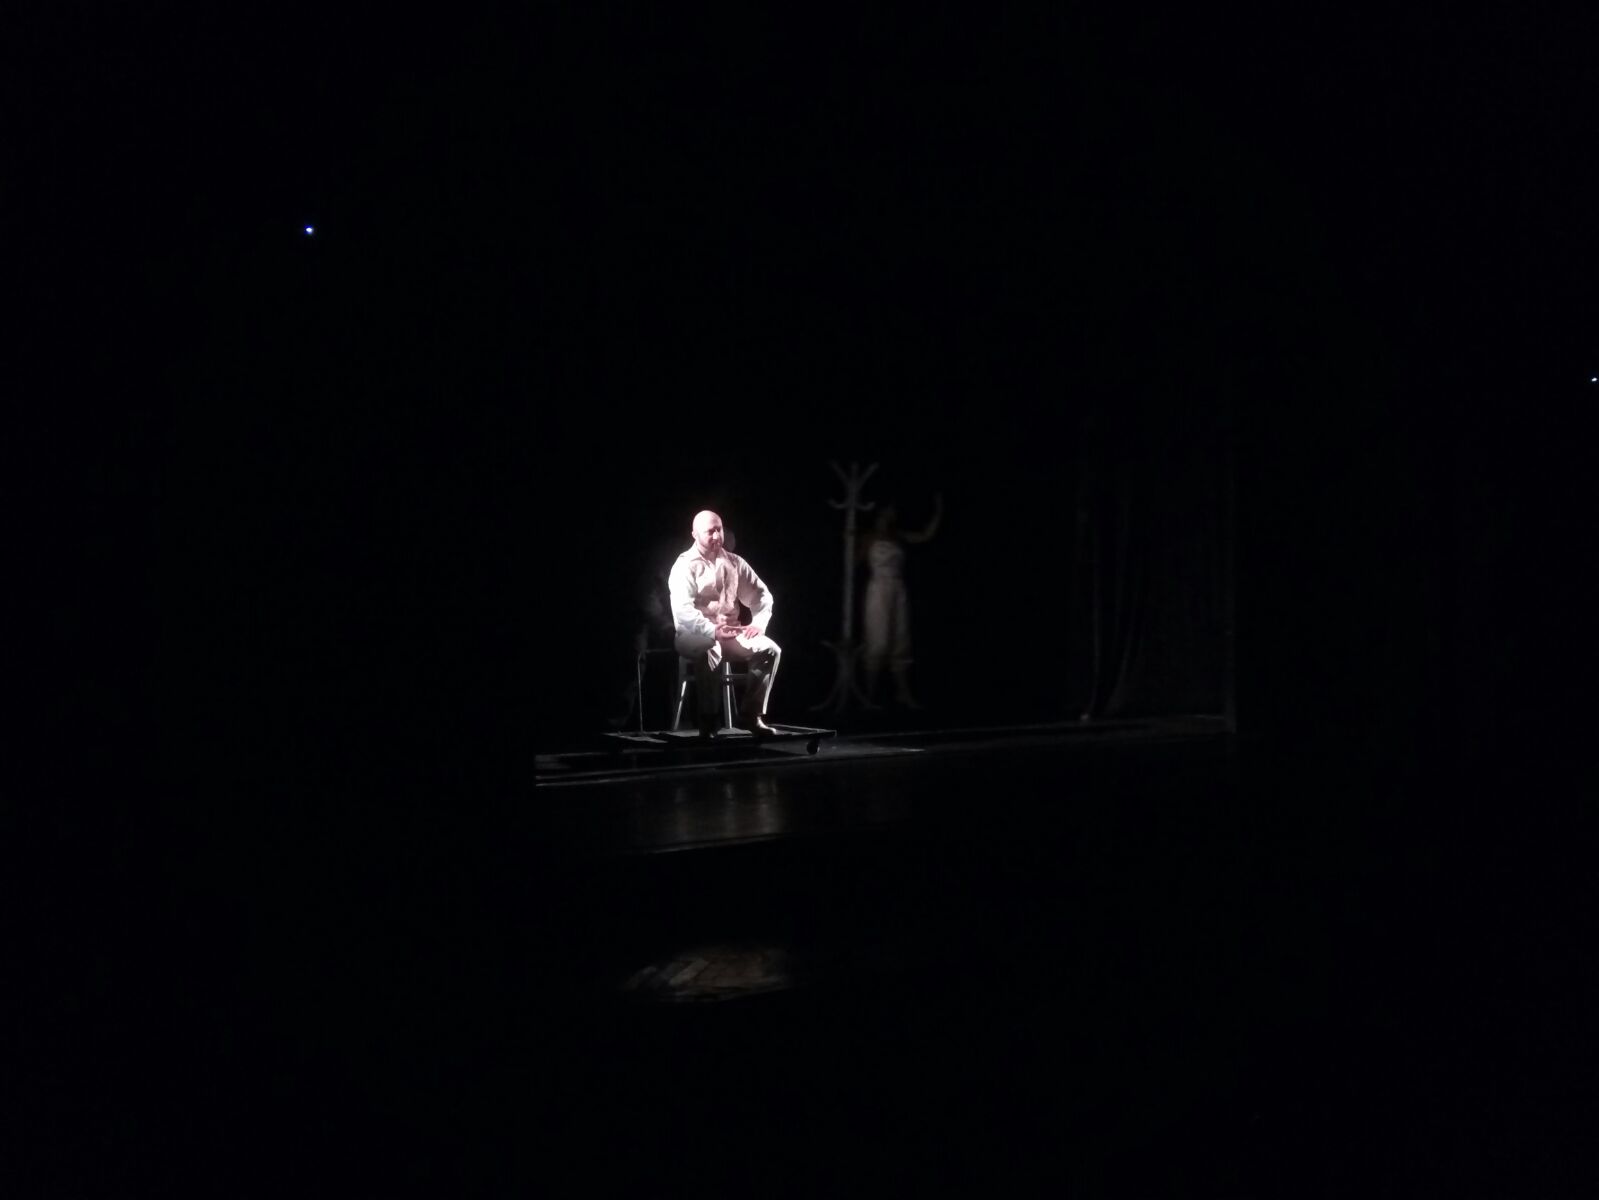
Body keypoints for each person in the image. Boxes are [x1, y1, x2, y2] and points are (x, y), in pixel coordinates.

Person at [667, 510, 781, 737]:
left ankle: (750, 715)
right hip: (692, 635)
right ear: (695, 534)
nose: (717, 536)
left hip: (729, 632)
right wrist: (712, 630)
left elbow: (761, 595)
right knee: (711, 648)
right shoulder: (685, 565)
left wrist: (758, 623)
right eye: (710, 531)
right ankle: (708, 719)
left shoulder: (734, 562)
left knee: (770, 649)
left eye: (719, 530)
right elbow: (683, 611)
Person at [860, 493, 942, 709]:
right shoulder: (870, 537)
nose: (893, 514)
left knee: (900, 638)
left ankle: (902, 692)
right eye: (890, 510)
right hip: (878, 588)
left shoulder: (897, 536)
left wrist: (938, 512)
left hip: (898, 588)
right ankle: (869, 694)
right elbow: (855, 558)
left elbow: (924, 535)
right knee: (878, 640)